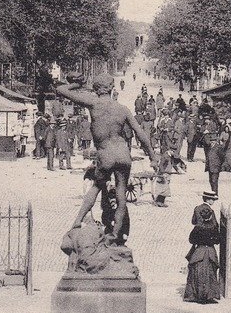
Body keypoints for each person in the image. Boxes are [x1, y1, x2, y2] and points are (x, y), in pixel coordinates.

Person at [56, 73, 158, 244]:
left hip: (106, 154)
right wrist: (153, 157)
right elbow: (140, 134)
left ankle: (77, 222)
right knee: (121, 196)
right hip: (123, 154)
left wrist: (77, 84)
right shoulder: (123, 109)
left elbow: (60, 89)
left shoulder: (93, 103)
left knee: (96, 187)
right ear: (111, 88)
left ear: (96, 89)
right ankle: (115, 234)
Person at [184, 192, 221, 303]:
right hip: (210, 251)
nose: (213, 201)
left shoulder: (197, 210)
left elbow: (191, 237)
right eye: (212, 199)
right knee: (210, 272)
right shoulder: (212, 222)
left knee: (196, 272)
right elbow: (217, 238)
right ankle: (209, 294)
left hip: (199, 251)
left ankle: (195, 294)